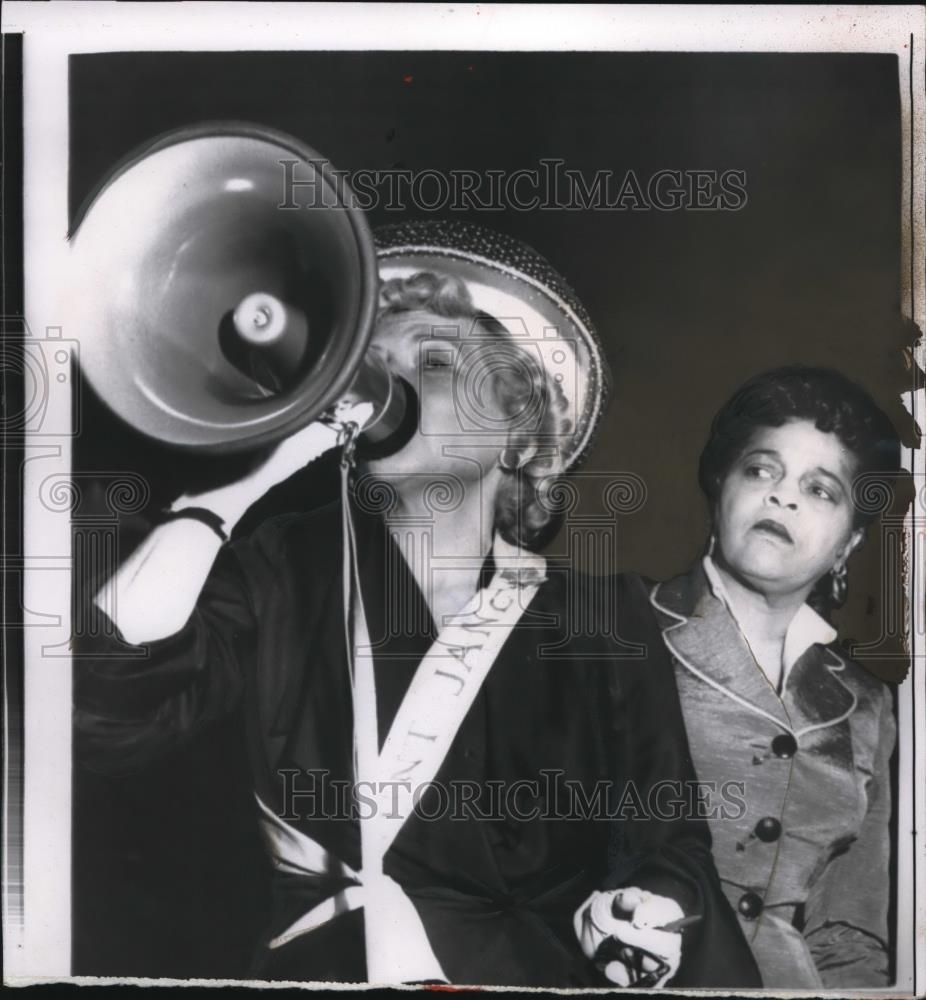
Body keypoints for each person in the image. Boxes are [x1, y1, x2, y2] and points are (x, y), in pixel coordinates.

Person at [76, 220, 759, 988]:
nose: (385, 386)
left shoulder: (602, 616)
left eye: (432, 362)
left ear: (520, 438)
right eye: (369, 366)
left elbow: (670, 842)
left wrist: (649, 906)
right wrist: (226, 495)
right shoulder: (280, 568)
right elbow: (106, 700)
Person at [648, 365, 901, 988]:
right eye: (761, 470)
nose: (782, 496)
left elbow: (847, 938)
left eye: (821, 490)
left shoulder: (868, 705)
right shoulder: (623, 634)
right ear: (720, 488)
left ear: (848, 543)